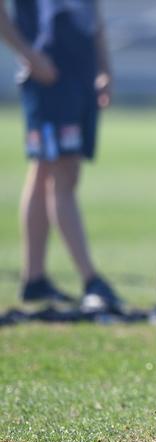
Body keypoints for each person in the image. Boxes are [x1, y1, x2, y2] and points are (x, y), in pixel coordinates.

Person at [0, 0, 121, 312]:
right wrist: (28, 55)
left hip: (80, 75)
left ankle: (34, 279)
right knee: (63, 174)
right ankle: (90, 277)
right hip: (49, 77)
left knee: (44, 172)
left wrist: (104, 67)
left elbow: (93, 15)